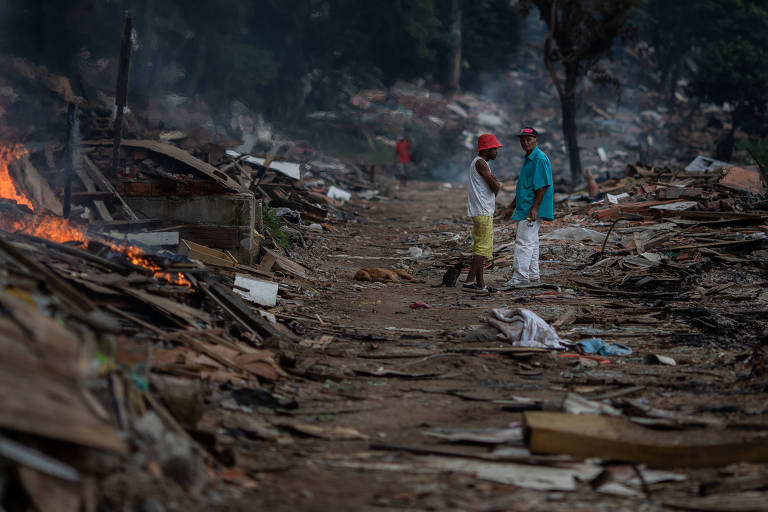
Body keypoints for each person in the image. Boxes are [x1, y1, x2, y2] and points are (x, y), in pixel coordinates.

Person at [502, 127, 554, 287]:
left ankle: (520, 278)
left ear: (536, 140)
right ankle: (532, 276)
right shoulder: (529, 158)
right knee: (531, 241)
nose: (525, 143)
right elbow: (524, 187)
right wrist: (511, 207)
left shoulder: (539, 158)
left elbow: (542, 186)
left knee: (523, 242)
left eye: (528, 139)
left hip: (532, 207)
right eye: (522, 140)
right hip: (526, 206)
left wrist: (535, 208)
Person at [463, 133, 502, 292]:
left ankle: (480, 284)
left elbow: (492, 184)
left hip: (481, 210)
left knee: (480, 247)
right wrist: (496, 182)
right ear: (487, 149)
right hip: (483, 211)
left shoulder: (478, 163)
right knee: (482, 248)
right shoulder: (481, 163)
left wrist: (494, 180)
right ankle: (469, 281)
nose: (497, 152)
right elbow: (495, 187)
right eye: (495, 149)